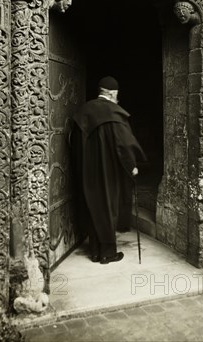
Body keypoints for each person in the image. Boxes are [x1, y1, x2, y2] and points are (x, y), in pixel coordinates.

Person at [70, 76, 146, 264]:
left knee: (94, 207)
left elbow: (74, 144)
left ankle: (95, 251)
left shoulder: (83, 112)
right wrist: (131, 166)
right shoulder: (114, 113)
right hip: (109, 171)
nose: (117, 100)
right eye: (117, 96)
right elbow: (124, 145)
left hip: (88, 171)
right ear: (112, 94)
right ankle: (108, 253)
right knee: (108, 208)